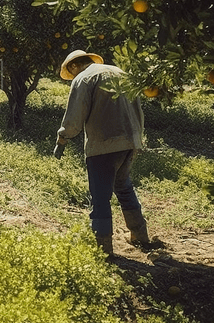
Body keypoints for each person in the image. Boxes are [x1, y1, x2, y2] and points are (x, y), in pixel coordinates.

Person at [54, 49, 149, 256]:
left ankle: (103, 248)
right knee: (123, 187)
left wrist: (63, 136)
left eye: (70, 72)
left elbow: (74, 117)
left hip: (104, 144)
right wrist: (136, 139)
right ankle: (140, 236)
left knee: (100, 197)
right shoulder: (119, 71)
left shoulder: (83, 78)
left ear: (73, 66)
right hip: (130, 140)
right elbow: (137, 107)